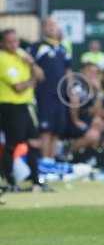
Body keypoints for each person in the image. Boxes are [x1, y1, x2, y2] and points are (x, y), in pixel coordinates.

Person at [0, 29, 46, 191]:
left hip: (26, 105)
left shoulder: (21, 54)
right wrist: (32, 80)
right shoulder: (2, 59)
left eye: (16, 41)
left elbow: (41, 76)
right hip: (10, 106)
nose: (14, 45)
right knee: (12, 144)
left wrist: (32, 63)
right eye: (10, 42)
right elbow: (18, 87)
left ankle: (35, 181)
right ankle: (10, 182)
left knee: (35, 142)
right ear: (2, 44)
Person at [28, 17, 72, 173]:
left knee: (56, 130)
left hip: (60, 96)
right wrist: (34, 67)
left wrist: (71, 89)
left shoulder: (62, 48)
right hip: (45, 94)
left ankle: (51, 163)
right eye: (49, 25)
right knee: (46, 130)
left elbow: (68, 70)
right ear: (43, 28)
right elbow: (27, 62)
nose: (52, 27)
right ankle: (44, 164)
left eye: (54, 24)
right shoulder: (37, 47)